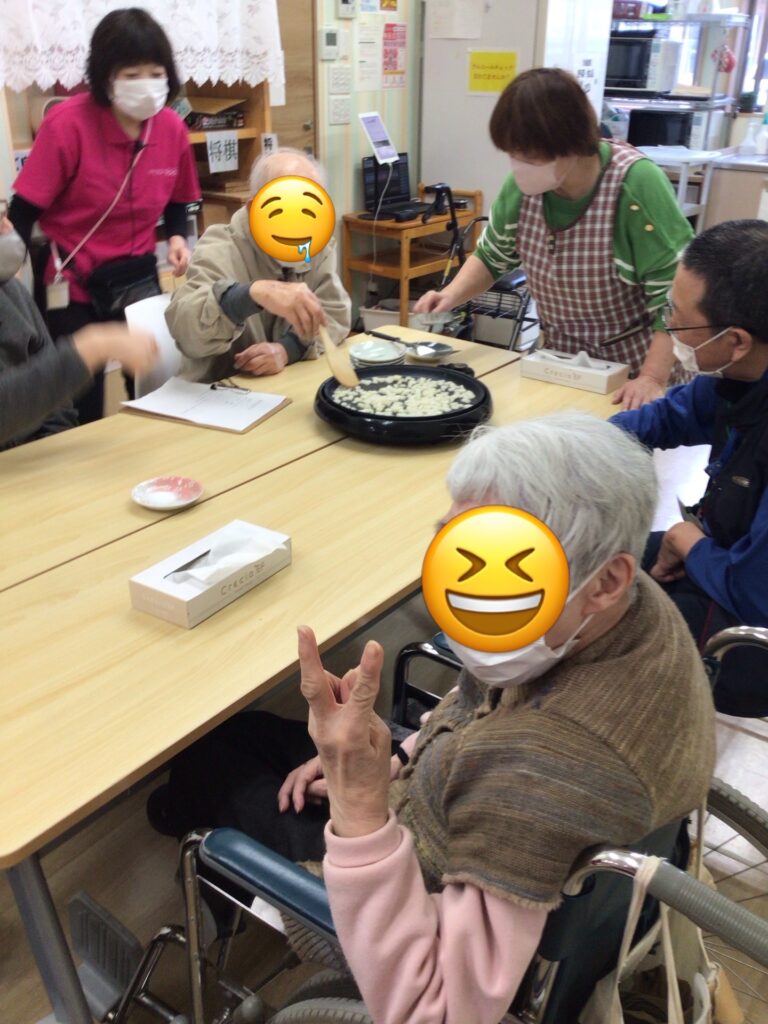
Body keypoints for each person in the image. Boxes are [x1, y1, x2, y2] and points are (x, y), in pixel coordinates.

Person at [150, 412, 714, 1024]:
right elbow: (479, 705)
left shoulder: (542, 766)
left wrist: (358, 800)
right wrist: (395, 757)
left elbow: (439, 1010)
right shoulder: (629, 610)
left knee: (205, 768)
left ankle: (210, 869)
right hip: (458, 810)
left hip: (418, 892)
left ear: (606, 580)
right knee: (245, 731)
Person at [415, 67, 695, 411]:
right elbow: (491, 257)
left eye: (530, 156)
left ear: (571, 144)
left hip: (634, 369)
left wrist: (652, 378)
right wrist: (450, 295)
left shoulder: (635, 185)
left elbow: (675, 299)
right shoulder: (521, 189)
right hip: (559, 359)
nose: (519, 166)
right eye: (513, 154)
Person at [9, 7, 200, 424]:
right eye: (131, 74)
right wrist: (9, 277)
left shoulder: (171, 128)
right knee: (78, 403)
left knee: (158, 384)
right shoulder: (67, 125)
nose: (145, 84)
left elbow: (178, 198)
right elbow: (22, 212)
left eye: (155, 73)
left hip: (137, 279)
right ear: (106, 76)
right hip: (71, 283)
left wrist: (178, 237)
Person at [612, 219, 768, 717]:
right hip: (727, 553)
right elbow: (665, 418)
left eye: (676, 319)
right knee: (609, 559)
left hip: (754, 617)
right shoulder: (737, 375)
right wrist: (569, 444)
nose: (668, 328)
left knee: (613, 636)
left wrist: (687, 543)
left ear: (736, 340)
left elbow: (754, 593)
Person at [165, 148, 351, 382]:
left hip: (280, 386)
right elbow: (186, 330)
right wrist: (251, 294)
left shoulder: (316, 245)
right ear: (253, 208)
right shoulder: (220, 247)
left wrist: (287, 349)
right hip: (217, 389)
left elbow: (335, 314)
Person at [0, 216, 158, 449]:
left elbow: (58, 408)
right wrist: (93, 348)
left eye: (3, 214)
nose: (8, 227)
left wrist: (56, 453)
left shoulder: (12, 293)